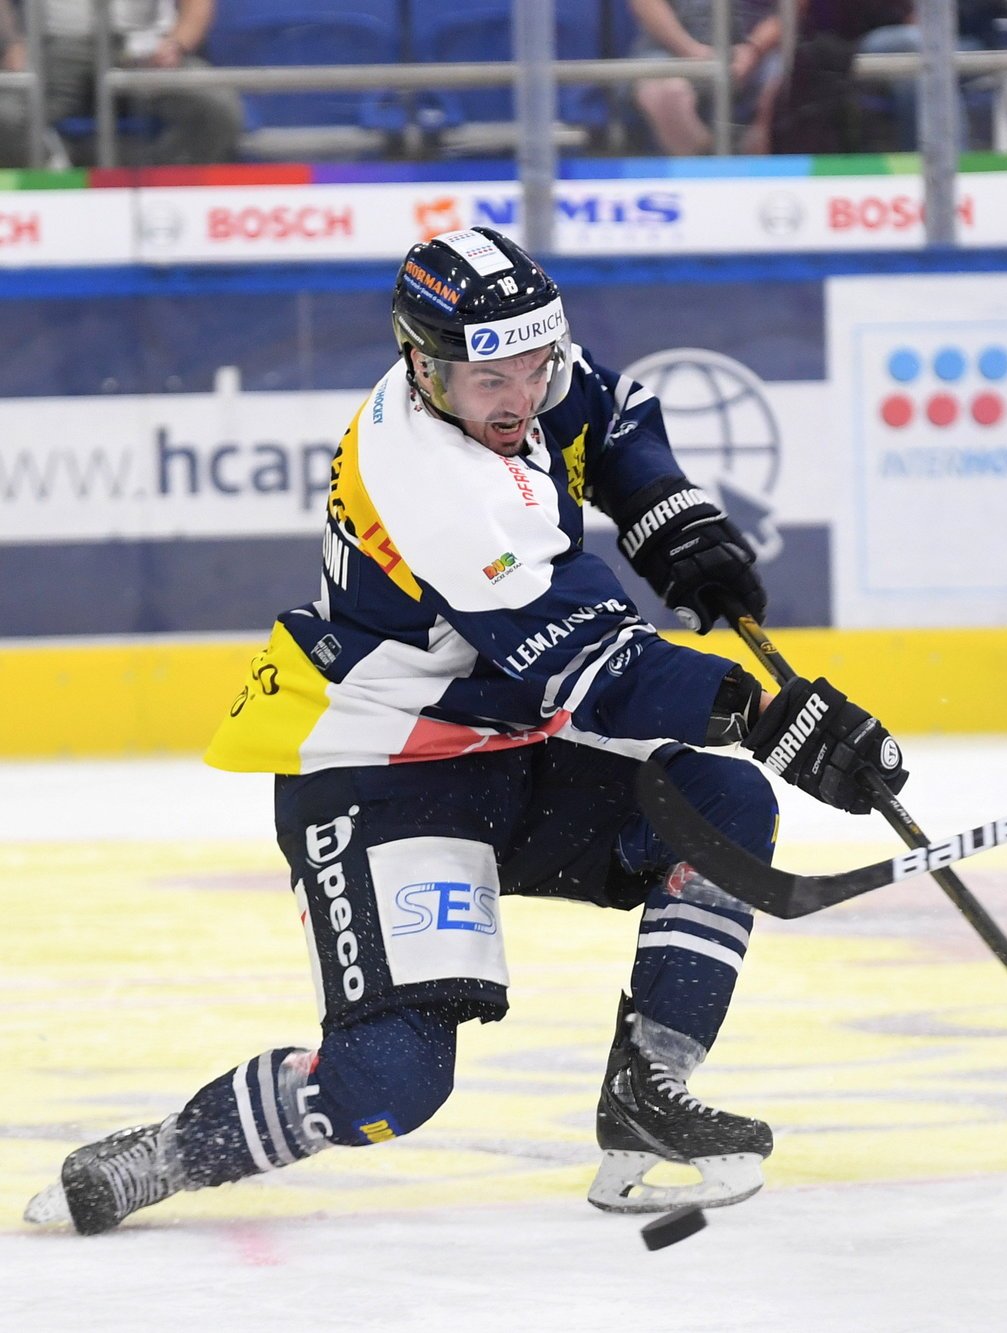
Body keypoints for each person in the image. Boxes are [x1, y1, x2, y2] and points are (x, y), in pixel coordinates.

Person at [21, 225, 909, 1236]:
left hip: (505, 743)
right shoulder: (435, 483)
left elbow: (606, 414)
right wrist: (761, 714)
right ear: (418, 362)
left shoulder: (512, 365)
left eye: (532, 361)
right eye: (487, 376)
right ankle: (167, 1152)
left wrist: (671, 516)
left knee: (718, 805)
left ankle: (647, 1100)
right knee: (387, 1080)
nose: (517, 395)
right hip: (379, 773)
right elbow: (601, 670)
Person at [0, 0, 241, 167]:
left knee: (217, 106)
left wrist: (177, 44)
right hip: (54, 47)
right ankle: (59, 179)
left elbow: (198, 4)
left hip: (143, 48)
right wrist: (11, 43)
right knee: (5, 113)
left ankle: (160, 189)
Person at [628, 0, 787, 155]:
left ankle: (761, 169)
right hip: (672, 46)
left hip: (759, 49)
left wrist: (754, 49)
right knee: (664, 92)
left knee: (786, 81)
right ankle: (703, 168)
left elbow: (791, 9)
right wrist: (690, 50)